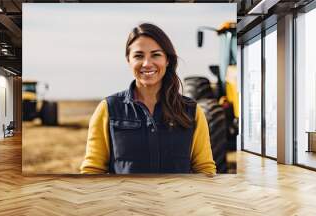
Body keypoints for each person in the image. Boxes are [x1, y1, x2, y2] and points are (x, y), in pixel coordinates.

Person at [80, 23, 216, 175]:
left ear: (167, 60)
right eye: (138, 56)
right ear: (128, 60)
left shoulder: (192, 111)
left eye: (156, 55)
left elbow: (204, 170)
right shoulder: (108, 109)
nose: (147, 63)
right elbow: (92, 170)